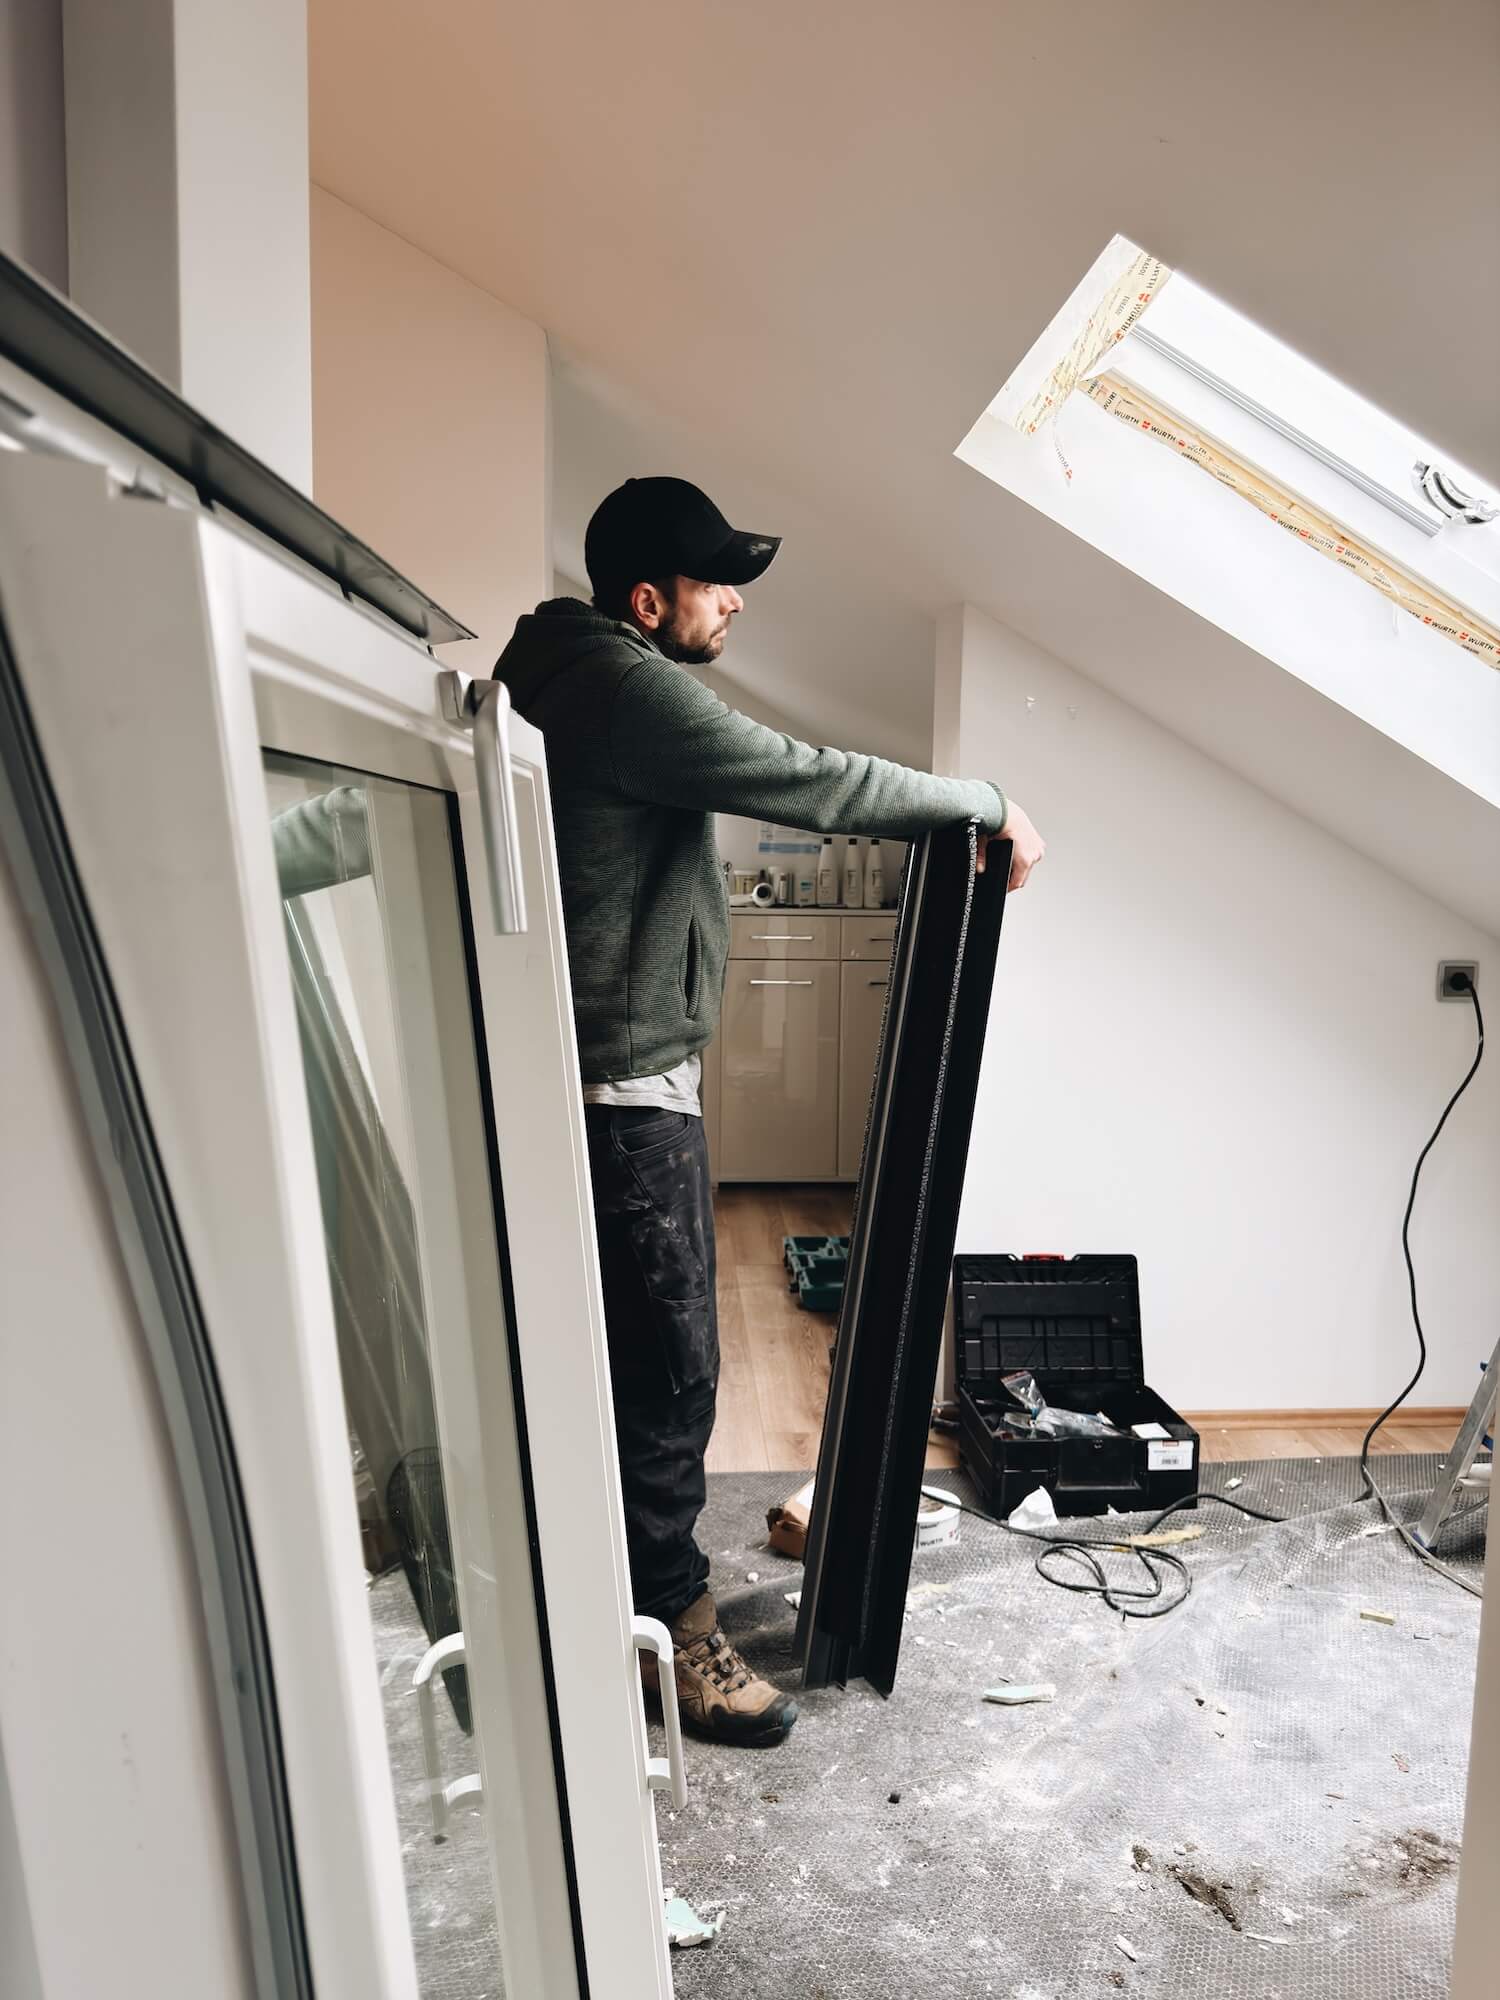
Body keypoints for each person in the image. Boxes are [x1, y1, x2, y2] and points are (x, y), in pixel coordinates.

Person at [494, 477, 1044, 1747]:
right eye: (715, 581)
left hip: (593, 1071)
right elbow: (811, 780)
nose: (734, 598)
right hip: (621, 1091)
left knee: (620, 1356)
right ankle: (676, 1631)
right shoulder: (627, 688)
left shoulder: (566, 670)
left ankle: (606, 1595)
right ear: (649, 599)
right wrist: (982, 800)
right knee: (676, 1365)